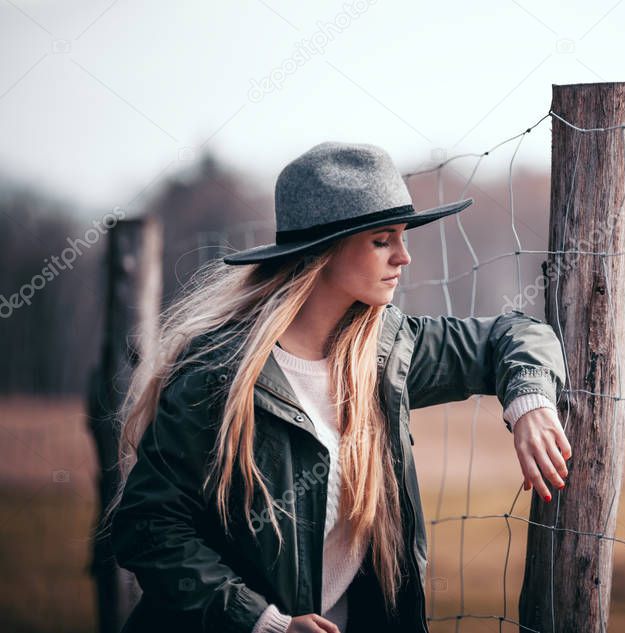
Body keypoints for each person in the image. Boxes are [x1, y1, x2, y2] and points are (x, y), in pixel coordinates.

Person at [98, 142, 572, 633]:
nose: (404, 256)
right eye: (382, 240)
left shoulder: (387, 352)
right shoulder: (219, 374)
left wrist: (530, 404)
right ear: (324, 250)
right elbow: (149, 529)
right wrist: (264, 623)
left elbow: (515, 334)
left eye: (402, 237)